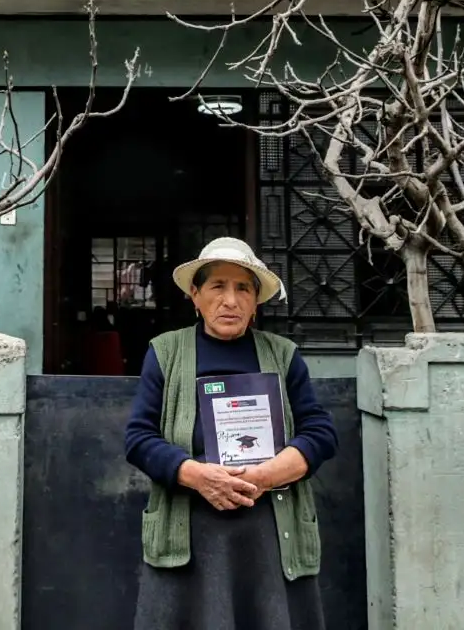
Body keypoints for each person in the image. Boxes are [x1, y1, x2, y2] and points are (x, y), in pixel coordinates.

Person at [124, 237, 337, 630]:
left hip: (268, 534)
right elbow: (139, 439)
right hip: (190, 535)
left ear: (256, 301)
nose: (231, 300)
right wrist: (197, 476)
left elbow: (320, 433)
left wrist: (264, 477)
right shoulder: (165, 353)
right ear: (195, 295)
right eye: (217, 286)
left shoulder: (283, 354)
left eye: (243, 289)